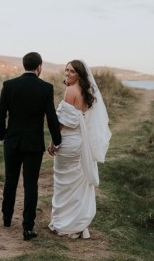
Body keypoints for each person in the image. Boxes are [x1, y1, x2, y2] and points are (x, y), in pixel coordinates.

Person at [0, 52, 62, 241]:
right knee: (31, 184)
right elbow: (51, 118)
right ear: (39, 67)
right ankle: (28, 227)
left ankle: (7, 218)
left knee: (10, 179)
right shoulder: (46, 88)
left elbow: (0, 115)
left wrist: (3, 135)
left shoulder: (9, 85)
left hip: (12, 141)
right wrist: (57, 140)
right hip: (33, 143)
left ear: (24, 65)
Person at [47, 59, 111, 239]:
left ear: (79, 74)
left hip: (68, 141)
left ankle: (67, 223)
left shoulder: (70, 91)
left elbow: (62, 123)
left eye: (72, 71)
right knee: (77, 183)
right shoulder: (87, 91)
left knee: (64, 183)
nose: (67, 74)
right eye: (66, 70)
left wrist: (54, 142)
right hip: (80, 141)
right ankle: (78, 223)